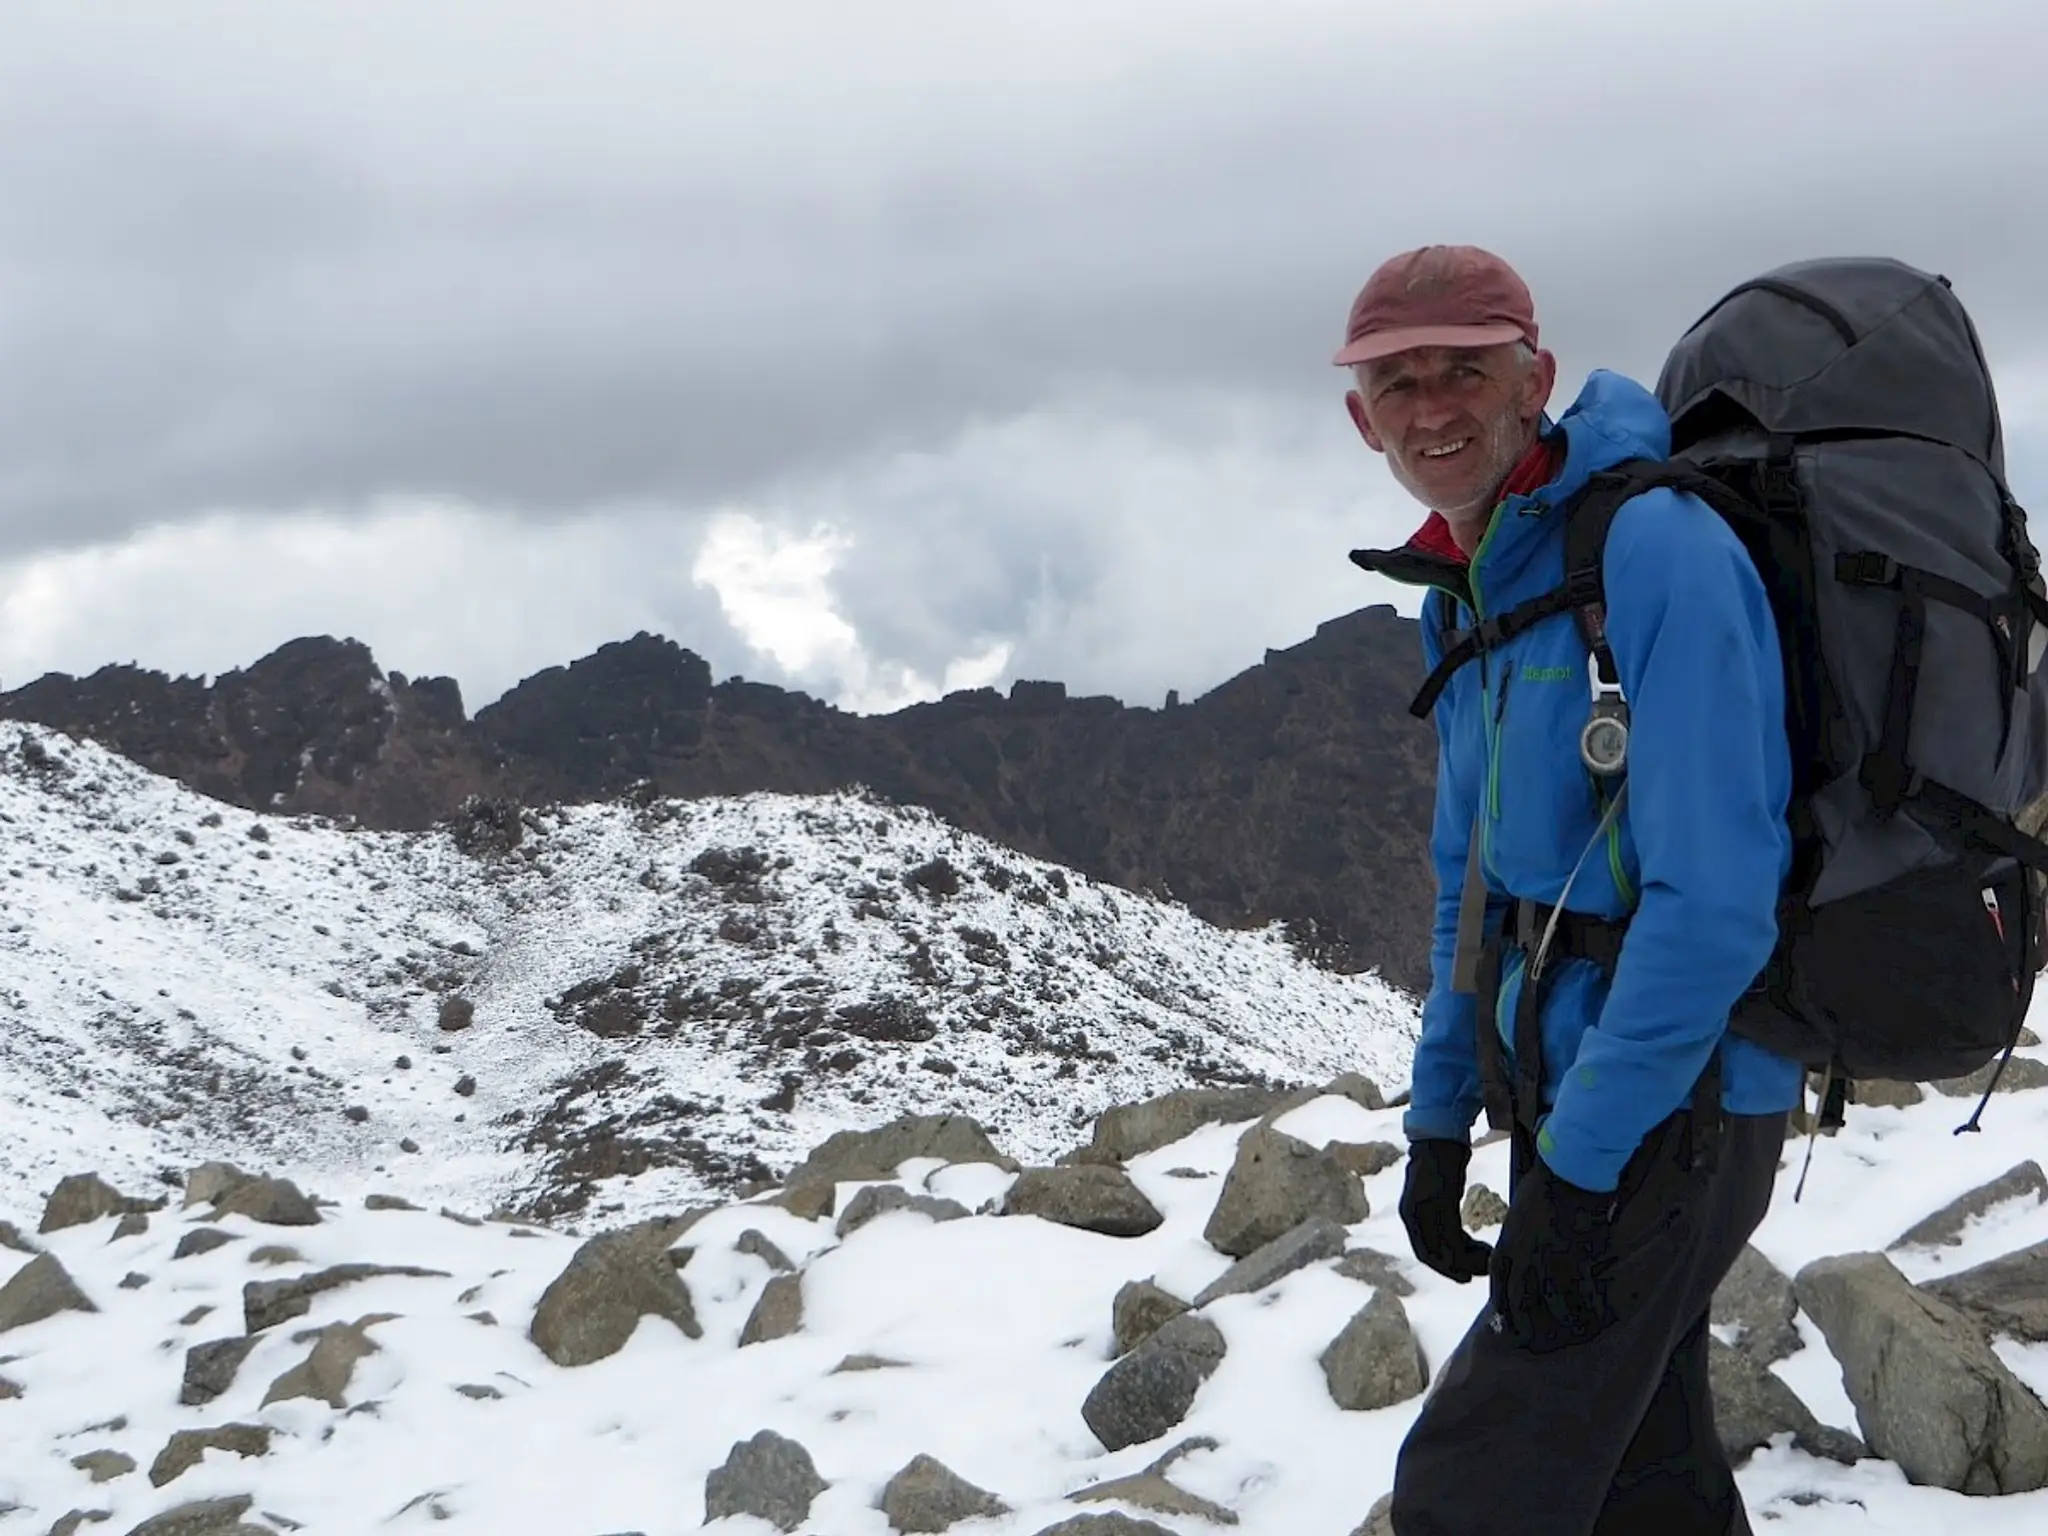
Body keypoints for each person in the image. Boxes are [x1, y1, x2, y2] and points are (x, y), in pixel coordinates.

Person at [1336, 245, 1801, 1536]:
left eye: (1466, 372)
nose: (1433, 409)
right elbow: (1470, 891)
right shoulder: (1469, 589)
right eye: (1398, 384)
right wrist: (1441, 1119)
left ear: (1536, 378)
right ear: (1362, 418)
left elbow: (1715, 903)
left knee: (1469, 1491)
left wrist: (1585, 1176)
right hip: (1576, 1091)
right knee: (1646, 1484)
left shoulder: (1654, 551)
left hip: (1685, 1095)